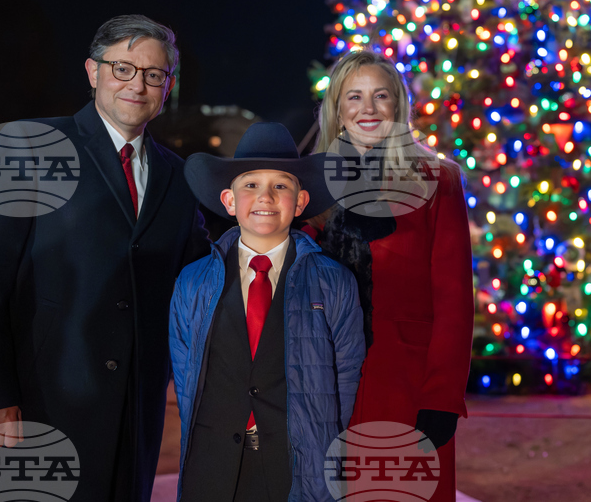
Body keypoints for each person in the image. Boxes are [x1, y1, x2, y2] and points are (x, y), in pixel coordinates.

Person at [0, 15, 211, 502]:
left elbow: (202, 281)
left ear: (168, 86)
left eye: (154, 74)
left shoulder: (181, 178)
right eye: (123, 68)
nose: (138, 84)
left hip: (131, 420)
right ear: (92, 72)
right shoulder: (30, 147)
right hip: (32, 409)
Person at [305, 49, 474, 502]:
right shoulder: (311, 187)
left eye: (381, 96)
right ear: (338, 110)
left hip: (405, 385)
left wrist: (440, 400)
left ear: (398, 106)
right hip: (325, 385)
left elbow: (455, 301)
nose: (368, 108)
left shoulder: (438, 179)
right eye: (354, 97)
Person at [170, 122, 365, 502]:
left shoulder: (334, 282)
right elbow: (186, 375)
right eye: (251, 185)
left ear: (301, 201)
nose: (266, 196)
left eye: (281, 185)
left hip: (295, 466)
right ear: (229, 201)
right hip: (212, 466)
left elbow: (345, 381)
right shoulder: (192, 283)